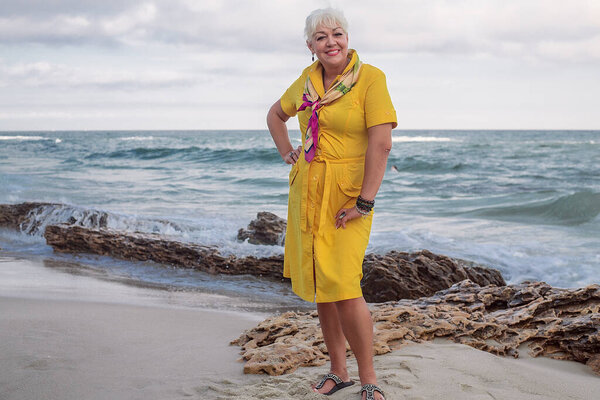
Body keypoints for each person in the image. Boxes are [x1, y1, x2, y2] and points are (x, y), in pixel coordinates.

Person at [266, 8, 396, 400]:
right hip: (306, 191)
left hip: (346, 196)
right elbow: (275, 115)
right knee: (324, 285)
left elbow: (381, 143)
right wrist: (288, 151)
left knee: (345, 284)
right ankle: (338, 372)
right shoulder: (306, 82)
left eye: (337, 33)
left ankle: (369, 378)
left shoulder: (370, 78)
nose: (330, 42)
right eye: (321, 37)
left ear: (347, 38)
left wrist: (365, 202)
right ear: (310, 47)